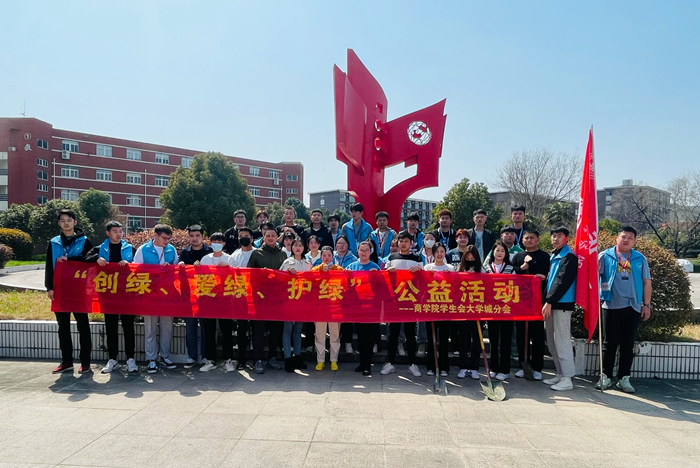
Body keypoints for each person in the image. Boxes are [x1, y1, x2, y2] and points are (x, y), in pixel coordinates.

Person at [597, 226, 652, 394]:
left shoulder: (639, 258)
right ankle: (605, 376)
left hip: (633, 306)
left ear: (634, 241)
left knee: (627, 344)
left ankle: (624, 378)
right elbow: (593, 276)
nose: (626, 240)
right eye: (623, 236)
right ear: (617, 238)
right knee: (609, 343)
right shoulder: (605, 256)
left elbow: (647, 282)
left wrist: (646, 305)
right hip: (611, 304)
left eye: (630, 237)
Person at [45, 209, 94, 374]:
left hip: (79, 289)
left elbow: (91, 259)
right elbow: (48, 266)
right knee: (63, 326)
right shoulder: (54, 242)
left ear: (75, 222)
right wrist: (49, 287)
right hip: (60, 289)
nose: (66, 223)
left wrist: (70, 259)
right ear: (59, 223)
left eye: (69, 220)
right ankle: (66, 361)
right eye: (63, 220)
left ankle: (85, 362)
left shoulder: (84, 241)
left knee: (83, 325)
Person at [86, 221, 137, 374]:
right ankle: (112, 359)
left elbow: (141, 265)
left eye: (120, 231)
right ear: (108, 233)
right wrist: (96, 258)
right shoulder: (99, 249)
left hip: (127, 294)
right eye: (115, 231)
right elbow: (84, 258)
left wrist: (130, 264)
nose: (118, 234)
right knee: (111, 327)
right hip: (107, 294)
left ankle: (130, 359)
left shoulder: (130, 249)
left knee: (129, 327)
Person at [133, 224, 179, 374]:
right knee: (150, 329)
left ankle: (165, 356)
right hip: (149, 295)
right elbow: (135, 270)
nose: (167, 241)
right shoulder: (143, 250)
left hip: (167, 295)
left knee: (167, 328)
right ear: (155, 235)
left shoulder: (171, 249)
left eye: (169, 238)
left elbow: (176, 268)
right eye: (164, 238)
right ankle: (151, 359)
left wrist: (171, 267)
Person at [381, 231, 423, 377]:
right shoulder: (392, 257)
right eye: (401, 241)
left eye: (406, 241)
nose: (403, 243)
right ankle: (390, 363)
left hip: (410, 300)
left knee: (410, 334)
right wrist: (388, 271)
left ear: (411, 243)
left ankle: (412, 364)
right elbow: (384, 275)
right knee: (393, 333)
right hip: (395, 300)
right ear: (397, 243)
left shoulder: (417, 258)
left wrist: (419, 269)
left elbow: (424, 278)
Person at [247, 227, 288, 374]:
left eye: (273, 236)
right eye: (268, 236)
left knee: (276, 330)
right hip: (260, 298)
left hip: (277, 298)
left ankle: (272, 358)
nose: (270, 238)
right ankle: (257, 360)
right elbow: (249, 273)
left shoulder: (282, 254)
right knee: (258, 330)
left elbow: (285, 275)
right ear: (263, 238)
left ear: (277, 238)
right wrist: (261, 274)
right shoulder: (256, 254)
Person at [511, 229, 550, 381]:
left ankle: (537, 367)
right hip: (520, 301)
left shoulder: (544, 256)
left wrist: (532, 264)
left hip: (537, 301)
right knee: (522, 335)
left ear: (537, 239)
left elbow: (546, 274)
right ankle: (523, 365)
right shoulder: (518, 256)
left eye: (532, 238)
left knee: (537, 335)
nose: (529, 240)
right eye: (526, 238)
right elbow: (512, 273)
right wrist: (522, 267)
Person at [542, 227, 578, 391]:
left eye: (559, 236)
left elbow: (562, 281)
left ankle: (568, 377)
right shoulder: (554, 255)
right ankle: (559, 373)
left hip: (562, 304)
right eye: (553, 236)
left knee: (562, 341)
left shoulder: (569, 257)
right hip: (551, 303)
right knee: (551, 341)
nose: (555, 239)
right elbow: (551, 280)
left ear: (567, 238)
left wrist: (550, 301)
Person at [198, 232, 236, 373]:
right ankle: (210, 360)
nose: (217, 244)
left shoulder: (230, 258)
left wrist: (228, 267)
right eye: (214, 241)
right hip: (209, 299)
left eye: (219, 242)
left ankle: (228, 360)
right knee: (209, 331)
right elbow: (199, 277)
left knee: (226, 331)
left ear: (224, 244)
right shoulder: (205, 259)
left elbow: (237, 276)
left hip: (225, 299)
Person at [178, 224, 213, 369]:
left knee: (206, 328)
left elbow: (215, 273)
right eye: (192, 236)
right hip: (189, 296)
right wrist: (180, 265)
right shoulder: (184, 253)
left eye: (198, 235)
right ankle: (191, 356)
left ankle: (205, 356)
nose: (195, 238)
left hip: (206, 295)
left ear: (202, 236)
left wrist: (202, 268)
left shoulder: (210, 251)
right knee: (190, 328)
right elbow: (179, 275)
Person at [346, 241, 381, 375]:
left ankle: (367, 365)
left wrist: (376, 276)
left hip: (371, 308)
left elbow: (381, 287)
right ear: (358, 251)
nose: (364, 253)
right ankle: (362, 363)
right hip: (358, 307)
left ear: (370, 252)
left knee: (369, 337)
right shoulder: (352, 266)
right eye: (361, 250)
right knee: (360, 337)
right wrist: (346, 275)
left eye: (366, 250)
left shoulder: (375, 267)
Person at [483, 240, 516, 381]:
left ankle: (505, 369)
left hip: (506, 308)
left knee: (506, 340)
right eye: (497, 250)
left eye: (503, 251)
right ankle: (494, 368)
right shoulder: (486, 267)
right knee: (493, 339)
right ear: (493, 252)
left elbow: (516, 285)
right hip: (491, 308)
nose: (500, 253)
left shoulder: (511, 268)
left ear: (506, 253)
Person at [280, 237, 311, 372]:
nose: (298, 248)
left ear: (304, 247)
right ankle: (287, 358)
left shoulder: (307, 263)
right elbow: (280, 280)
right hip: (289, 300)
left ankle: (297, 356)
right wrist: (288, 274)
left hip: (302, 300)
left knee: (298, 330)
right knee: (287, 330)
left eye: (300, 245)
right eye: (295, 245)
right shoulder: (287, 262)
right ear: (291, 247)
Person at [423, 242, 454, 376]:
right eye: (437, 252)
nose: (439, 254)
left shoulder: (450, 268)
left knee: (444, 338)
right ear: (433, 253)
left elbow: (455, 286)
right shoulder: (427, 267)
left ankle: (444, 367)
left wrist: (450, 276)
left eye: (442, 251)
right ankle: (431, 366)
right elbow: (423, 285)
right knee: (431, 338)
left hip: (445, 308)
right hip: (431, 307)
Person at [228, 227, 257, 370]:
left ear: (252, 238)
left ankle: (256, 359)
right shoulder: (234, 255)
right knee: (241, 328)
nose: (243, 238)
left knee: (256, 328)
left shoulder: (258, 253)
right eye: (241, 236)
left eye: (246, 235)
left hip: (256, 296)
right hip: (240, 296)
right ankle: (241, 359)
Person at [311, 246, 343, 370]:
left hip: (335, 307)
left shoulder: (338, 269)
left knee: (335, 334)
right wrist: (320, 269)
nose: (327, 258)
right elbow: (310, 278)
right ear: (321, 257)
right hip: (320, 307)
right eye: (324, 255)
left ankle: (334, 359)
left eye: (329, 255)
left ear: (332, 257)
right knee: (320, 335)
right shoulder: (316, 269)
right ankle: (320, 360)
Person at [456, 246, 485, 380]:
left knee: (477, 340)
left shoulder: (482, 270)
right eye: (467, 257)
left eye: (472, 257)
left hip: (478, 308)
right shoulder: (460, 269)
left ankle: (474, 367)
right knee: (462, 339)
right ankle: (463, 366)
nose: (470, 259)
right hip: (463, 308)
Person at [333, 235, 357, 353]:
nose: (341, 246)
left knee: (347, 319)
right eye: (339, 243)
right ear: (336, 245)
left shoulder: (353, 259)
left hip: (348, 292)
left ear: (348, 245)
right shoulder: (331, 257)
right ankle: (335, 343)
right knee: (335, 320)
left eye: (344, 243)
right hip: (334, 291)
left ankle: (348, 343)